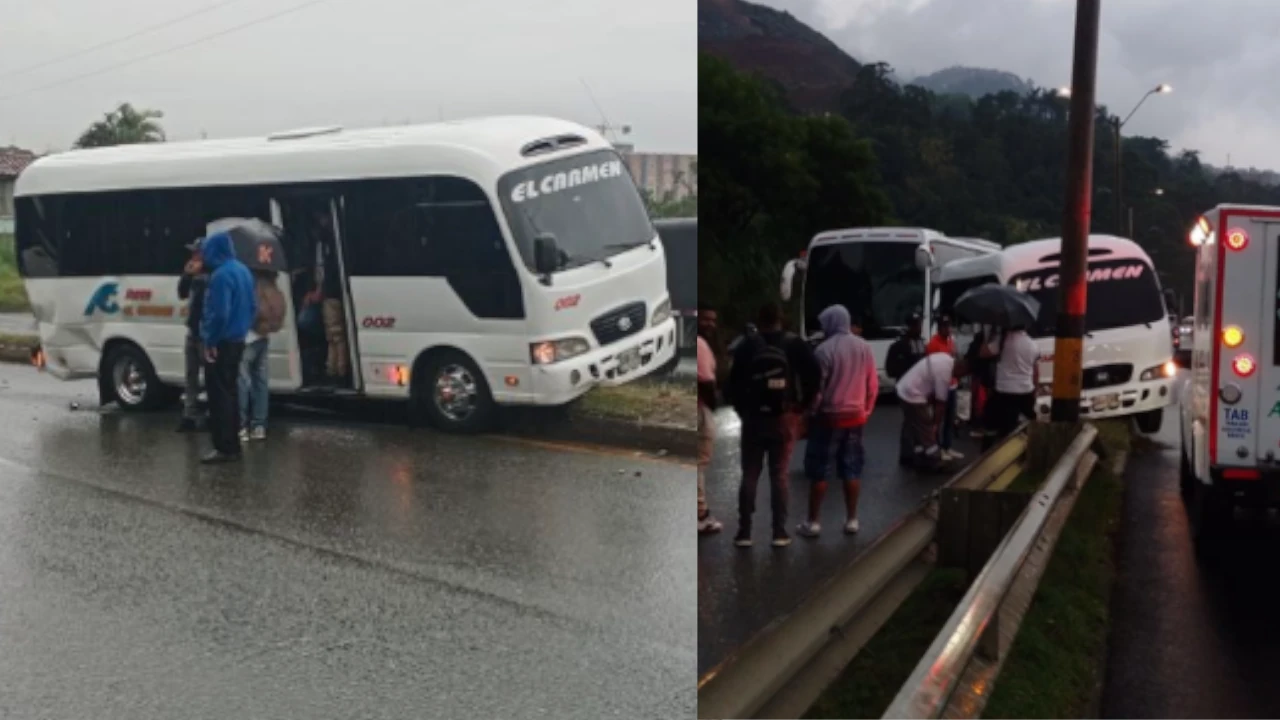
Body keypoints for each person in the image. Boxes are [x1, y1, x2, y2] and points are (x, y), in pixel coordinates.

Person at [728, 303, 821, 548]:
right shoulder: (794, 344)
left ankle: (744, 532)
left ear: (759, 320)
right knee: (779, 474)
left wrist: (742, 410)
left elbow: (732, 383)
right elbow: (815, 375)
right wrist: (802, 406)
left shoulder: (747, 345)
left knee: (750, 473)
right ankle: (779, 532)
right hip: (783, 417)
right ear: (781, 319)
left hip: (753, 418)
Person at [798, 305, 878, 538]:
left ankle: (813, 522)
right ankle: (852, 519)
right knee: (852, 469)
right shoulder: (864, 347)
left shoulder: (824, 350)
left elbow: (818, 390)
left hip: (828, 418)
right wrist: (866, 411)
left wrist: (808, 414)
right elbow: (872, 384)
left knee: (820, 471)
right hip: (855, 417)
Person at [199, 231, 257, 464]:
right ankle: (233, 443)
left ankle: (224, 447)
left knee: (218, 396)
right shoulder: (243, 271)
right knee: (231, 392)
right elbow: (253, 306)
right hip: (238, 339)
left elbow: (219, 313)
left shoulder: (220, 276)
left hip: (222, 342)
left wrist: (210, 341)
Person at [238, 269, 288, 442]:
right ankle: (259, 426)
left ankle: (241, 426)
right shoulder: (272, 285)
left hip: (248, 338)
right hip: (263, 337)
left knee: (242, 383)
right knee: (260, 383)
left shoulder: (251, 283)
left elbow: (250, 310)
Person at [896, 352, 968, 470]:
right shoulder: (945, 373)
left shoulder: (946, 359)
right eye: (960, 375)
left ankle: (913, 455)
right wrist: (935, 425)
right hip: (912, 393)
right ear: (959, 367)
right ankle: (933, 459)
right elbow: (940, 404)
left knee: (913, 425)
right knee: (925, 426)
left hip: (905, 388)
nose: (958, 378)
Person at [981, 324, 1040, 450]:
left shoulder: (1003, 341)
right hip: (1026, 390)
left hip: (1004, 391)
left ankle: (988, 453)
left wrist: (989, 337)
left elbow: (983, 352)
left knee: (992, 424)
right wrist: (1035, 389)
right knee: (1028, 425)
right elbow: (1036, 371)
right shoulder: (1033, 344)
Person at [697, 303, 724, 535]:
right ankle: (701, 514)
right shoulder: (700, 344)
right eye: (706, 319)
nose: (710, 324)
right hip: (699, 408)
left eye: (713, 320)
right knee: (699, 461)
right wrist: (713, 405)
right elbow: (706, 381)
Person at [176, 239, 208, 433]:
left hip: (206, 333)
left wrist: (197, 277)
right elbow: (182, 293)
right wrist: (187, 275)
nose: (193, 257)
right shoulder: (194, 276)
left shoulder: (211, 275)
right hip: (193, 331)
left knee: (211, 376)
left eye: (196, 253)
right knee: (191, 375)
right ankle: (189, 414)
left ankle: (212, 414)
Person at [926, 315, 964, 461]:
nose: (948, 329)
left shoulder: (950, 342)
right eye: (945, 326)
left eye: (949, 326)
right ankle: (937, 448)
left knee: (949, 418)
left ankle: (947, 446)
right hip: (940, 386)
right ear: (939, 328)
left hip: (952, 384)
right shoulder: (933, 344)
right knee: (938, 419)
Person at [885, 312, 926, 381]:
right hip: (906, 383)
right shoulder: (898, 346)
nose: (919, 328)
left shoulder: (923, 344)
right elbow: (890, 370)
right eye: (915, 325)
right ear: (908, 327)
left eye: (919, 324)